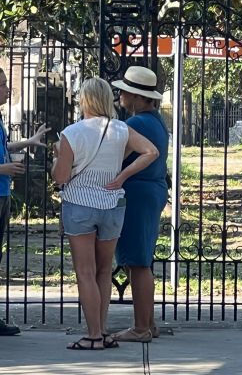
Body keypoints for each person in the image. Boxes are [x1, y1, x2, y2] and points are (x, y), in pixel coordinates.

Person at [52, 78, 158, 350]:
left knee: (85, 272)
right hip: (112, 204)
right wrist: (122, 175)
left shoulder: (71, 133)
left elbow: (61, 177)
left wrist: (57, 158)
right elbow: (151, 152)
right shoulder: (121, 129)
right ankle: (101, 330)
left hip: (80, 205)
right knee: (103, 271)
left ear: (84, 100)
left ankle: (94, 335)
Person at [110, 66, 169, 343]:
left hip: (137, 193)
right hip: (151, 190)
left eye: (125, 90)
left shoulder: (136, 125)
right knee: (141, 259)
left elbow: (115, 157)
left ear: (137, 96)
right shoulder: (155, 120)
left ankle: (140, 328)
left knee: (137, 262)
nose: (120, 94)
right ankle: (149, 323)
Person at [0, 67, 50, 336]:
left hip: (2, 194)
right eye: (4, 85)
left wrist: (28, 142)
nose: (8, 89)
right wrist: (2, 170)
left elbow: (3, 148)